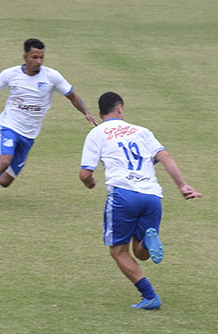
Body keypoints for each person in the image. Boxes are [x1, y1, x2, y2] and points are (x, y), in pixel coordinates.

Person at [0, 38, 98, 212]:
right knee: (5, 161)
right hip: (9, 126)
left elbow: (73, 96)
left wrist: (86, 112)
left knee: (4, 181)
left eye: (41, 57)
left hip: (29, 135)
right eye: (34, 57)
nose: (38, 61)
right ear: (25, 56)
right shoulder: (10, 74)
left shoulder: (52, 76)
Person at [80, 92, 201, 310]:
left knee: (118, 251)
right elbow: (165, 157)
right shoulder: (142, 131)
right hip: (152, 196)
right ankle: (147, 240)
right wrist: (183, 185)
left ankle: (150, 296)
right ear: (120, 109)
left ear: (100, 113)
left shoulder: (97, 133)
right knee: (140, 252)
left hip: (124, 196)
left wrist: (89, 183)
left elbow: (85, 173)